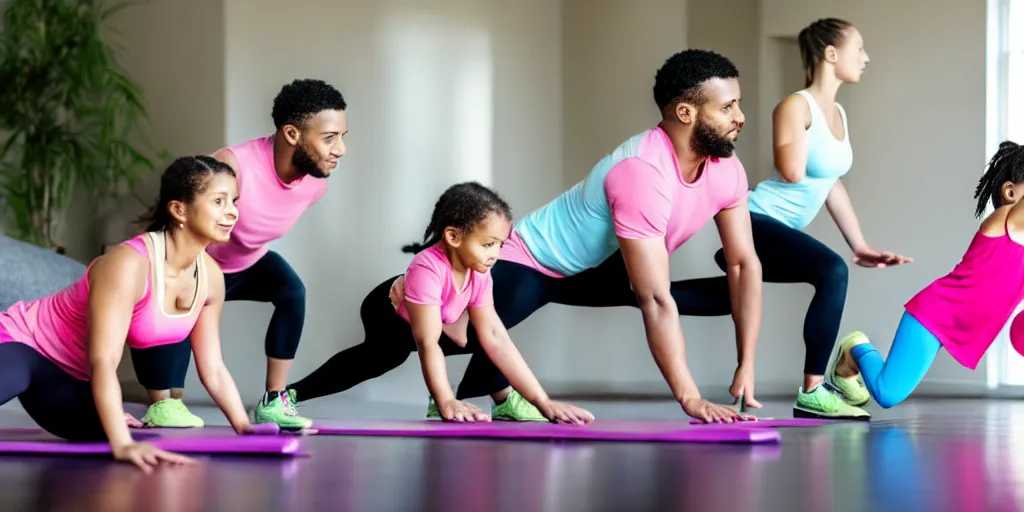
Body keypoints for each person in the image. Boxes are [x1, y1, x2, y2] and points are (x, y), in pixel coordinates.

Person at [394, 49, 762, 423]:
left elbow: (743, 264)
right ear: (686, 112)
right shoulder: (643, 172)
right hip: (532, 261)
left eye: (738, 105)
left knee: (719, 293)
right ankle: (450, 381)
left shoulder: (726, 170)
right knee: (455, 332)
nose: (740, 117)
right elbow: (653, 298)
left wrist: (747, 364)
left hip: (597, 267)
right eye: (728, 107)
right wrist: (691, 399)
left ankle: (497, 393)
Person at [658, 18, 911, 420]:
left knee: (732, 299)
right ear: (831, 54)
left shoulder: (838, 113)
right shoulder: (796, 106)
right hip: (756, 219)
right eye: (858, 48)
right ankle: (813, 389)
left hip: (778, 230)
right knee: (831, 271)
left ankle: (646, 293)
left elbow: (831, 182)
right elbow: (791, 170)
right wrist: (798, 135)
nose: (865, 58)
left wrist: (860, 245)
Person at [0, 156, 257, 472]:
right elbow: (104, 361)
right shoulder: (129, 264)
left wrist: (246, 428)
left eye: (234, 200)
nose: (233, 211)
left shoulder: (211, 278)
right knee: (118, 440)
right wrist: (123, 444)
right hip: (24, 344)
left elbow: (213, 368)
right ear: (179, 209)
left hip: (70, 378)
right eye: (219, 201)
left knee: (103, 434)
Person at [128, 79, 347, 430]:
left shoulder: (314, 186)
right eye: (329, 138)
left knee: (292, 291)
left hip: (247, 262)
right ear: (292, 134)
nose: (340, 149)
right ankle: (163, 403)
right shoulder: (235, 164)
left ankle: (274, 401)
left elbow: (257, 231)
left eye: (342, 137)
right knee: (180, 309)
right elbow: (188, 218)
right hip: (199, 261)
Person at [287, 182, 595, 425]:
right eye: (488, 244)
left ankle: (488, 396)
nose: (496, 255)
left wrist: (545, 403)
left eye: (500, 245)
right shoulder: (427, 268)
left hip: (437, 313)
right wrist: (446, 400)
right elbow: (427, 342)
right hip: (388, 312)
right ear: (453, 237)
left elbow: (497, 338)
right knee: (377, 359)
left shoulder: (479, 274)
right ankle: (284, 398)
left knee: (483, 335)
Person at [828, 141, 1024, 409]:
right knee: (887, 394)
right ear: (1011, 192)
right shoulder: (1004, 219)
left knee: (889, 392)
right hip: (935, 314)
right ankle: (856, 348)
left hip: (958, 326)